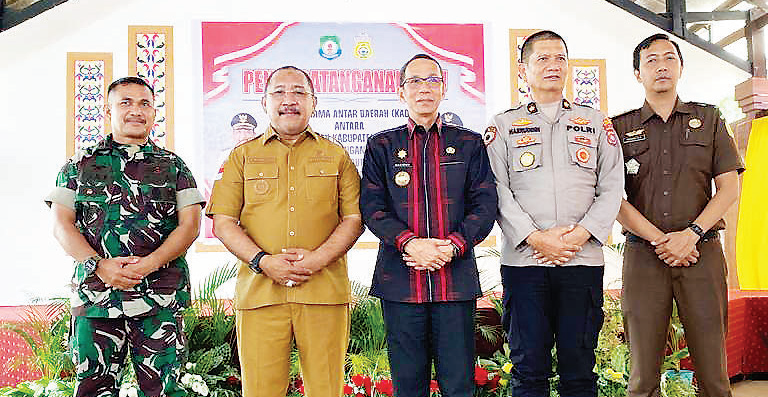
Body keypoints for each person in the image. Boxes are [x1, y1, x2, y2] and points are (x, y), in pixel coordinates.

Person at [206, 66, 363, 397]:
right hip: (261, 294)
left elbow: (354, 218)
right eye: (279, 92)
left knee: (326, 389)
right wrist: (263, 261)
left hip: (323, 293)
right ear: (264, 102)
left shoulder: (337, 156)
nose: (289, 100)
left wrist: (316, 259)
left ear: (314, 102)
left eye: (298, 93)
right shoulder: (241, 156)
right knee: (261, 391)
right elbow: (222, 222)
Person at [46, 76, 205, 397]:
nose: (136, 110)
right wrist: (99, 265)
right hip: (96, 299)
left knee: (164, 390)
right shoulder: (79, 165)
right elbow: (61, 224)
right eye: (126, 103)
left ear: (154, 112)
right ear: (108, 111)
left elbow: (190, 226)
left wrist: (148, 265)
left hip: (159, 299)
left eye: (144, 103)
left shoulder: (174, 167)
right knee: (93, 389)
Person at [485, 30, 624, 397]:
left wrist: (580, 236)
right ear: (523, 70)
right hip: (524, 264)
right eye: (542, 59)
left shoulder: (595, 123)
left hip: (582, 261)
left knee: (580, 367)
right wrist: (536, 238)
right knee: (529, 369)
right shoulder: (502, 126)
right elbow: (497, 189)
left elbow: (612, 187)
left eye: (560, 58)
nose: (553, 66)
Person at [612, 33, 743, 397]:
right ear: (638, 73)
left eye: (669, 58)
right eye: (651, 60)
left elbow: (729, 188)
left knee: (714, 374)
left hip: (702, 254)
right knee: (642, 376)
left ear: (681, 68)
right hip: (643, 257)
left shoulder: (710, 119)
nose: (661, 66)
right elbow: (611, 198)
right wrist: (660, 240)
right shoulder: (618, 128)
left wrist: (691, 234)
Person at [360, 53, 498, 397]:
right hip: (401, 281)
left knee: (459, 383)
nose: (424, 88)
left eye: (433, 80)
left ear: (443, 89)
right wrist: (411, 243)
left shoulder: (469, 143)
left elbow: (484, 205)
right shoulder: (381, 145)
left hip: (455, 280)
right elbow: (372, 207)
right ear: (401, 91)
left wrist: (451, 246)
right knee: (408, 385)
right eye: (415, 81)